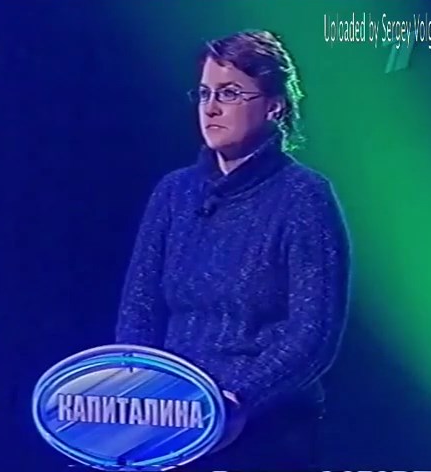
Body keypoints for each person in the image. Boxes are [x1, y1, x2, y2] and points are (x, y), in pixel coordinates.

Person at [115, 30, 351, 471]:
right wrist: (142, 394)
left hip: (266, 426)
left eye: (229, 93)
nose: (211, 107)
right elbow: (138, 311)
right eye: (204, 93)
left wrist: (236, 399)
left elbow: (313, 334)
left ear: (274, 105)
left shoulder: (304, 196)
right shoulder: (173, 193)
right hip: (175, 420)